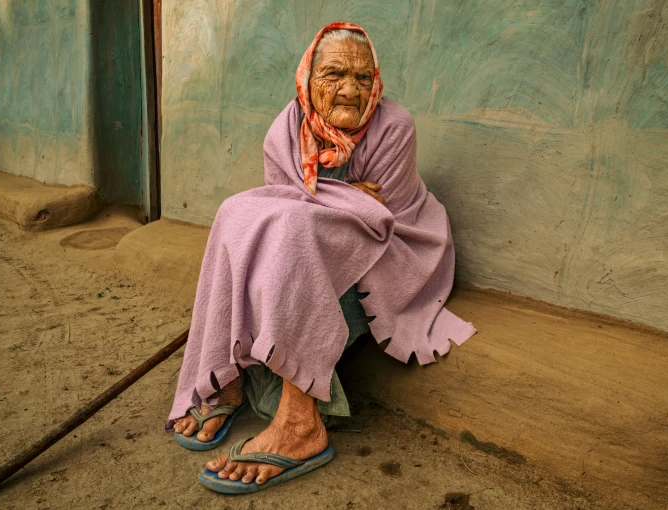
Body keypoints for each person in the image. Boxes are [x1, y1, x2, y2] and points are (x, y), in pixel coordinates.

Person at [168, 22, 476, 493]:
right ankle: (226, 375)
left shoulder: (395, 126)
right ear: (307, 78)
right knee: (242, 215)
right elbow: (285, 209)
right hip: (317, 246)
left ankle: (300, 424)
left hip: (396, 249)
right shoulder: (286, 129)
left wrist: (330, 203)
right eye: (334, 75)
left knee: (296, 234)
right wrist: (348, 196)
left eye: (364, 78)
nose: (351, 91)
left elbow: (377, 220)